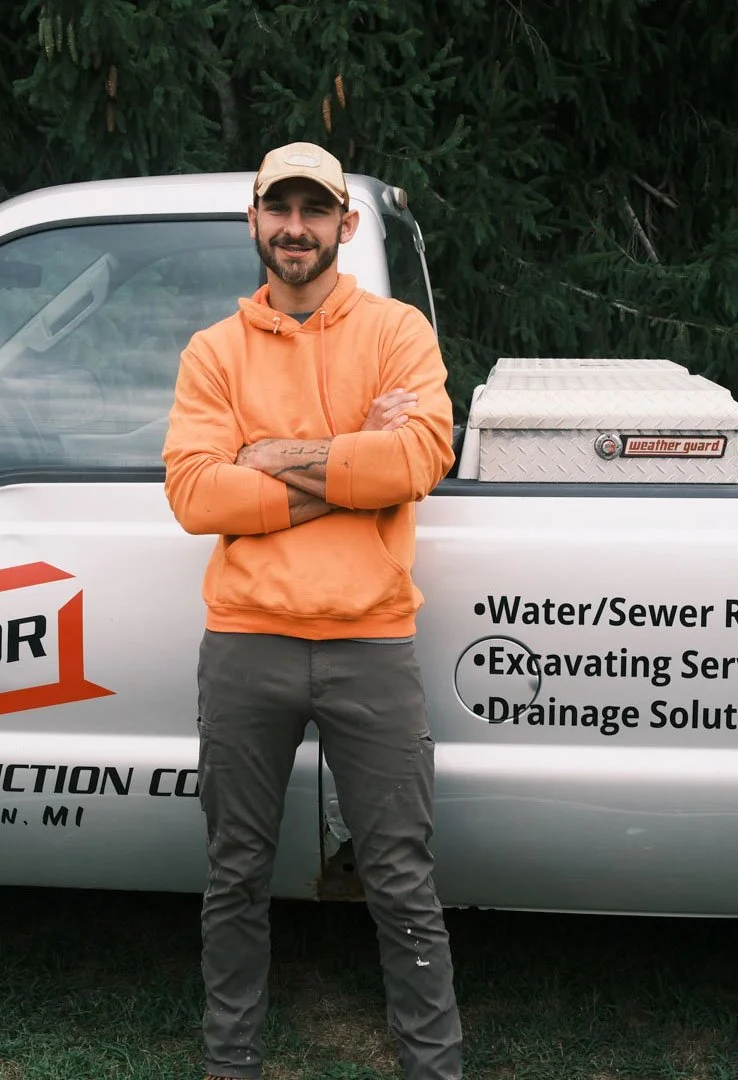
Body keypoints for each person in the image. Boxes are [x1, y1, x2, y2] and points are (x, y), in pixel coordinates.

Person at [161, 141, 461, 1080]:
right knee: (236, 873)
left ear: (346, 223)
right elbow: (194, 494)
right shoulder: (213, 351)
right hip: (247, 641)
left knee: (402, 877)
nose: (297, 228)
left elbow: (419, 460)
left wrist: (270, 454)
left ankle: (434, 1065)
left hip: (371, 640)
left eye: (315, 209)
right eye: (279, 209)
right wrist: (347, 465)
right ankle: (231, 1061)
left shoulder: (398, 333)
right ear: (254, 220)